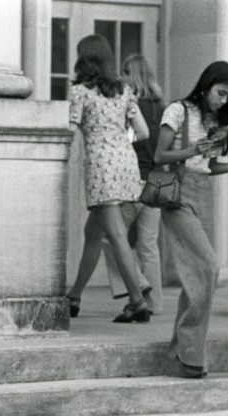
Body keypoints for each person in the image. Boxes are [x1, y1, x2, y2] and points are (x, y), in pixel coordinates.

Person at [153, 61, 228, 378]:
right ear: (207, 85)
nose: (223, 101)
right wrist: (195, 148)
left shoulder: (215, 119)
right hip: (177, 194)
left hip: (203, 192)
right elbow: (160, 155)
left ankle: (180, 351)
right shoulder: (178, 111)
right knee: (208, 266)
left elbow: (208, 166)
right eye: (221, 93)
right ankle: (190, 355)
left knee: (198, 274)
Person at [65, 34, 152, 323]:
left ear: (84, 58)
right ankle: (74, 296)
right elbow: (143, 132)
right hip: (126, 164)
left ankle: (138, 301)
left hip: (101, 167)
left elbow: (71, 129)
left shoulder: (80, 91)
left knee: (116, 236)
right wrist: (118, 139)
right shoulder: (124, 89)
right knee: (93, 234)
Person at [102, 54, 166, 315]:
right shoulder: (164, 108)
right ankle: (156, 303)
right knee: (149, 245)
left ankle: (139, 283)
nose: (121, 76)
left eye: (125, 72)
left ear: (135, 75)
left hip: (134, 179)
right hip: (160, 180)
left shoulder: (129, 106)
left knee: (111, 237)